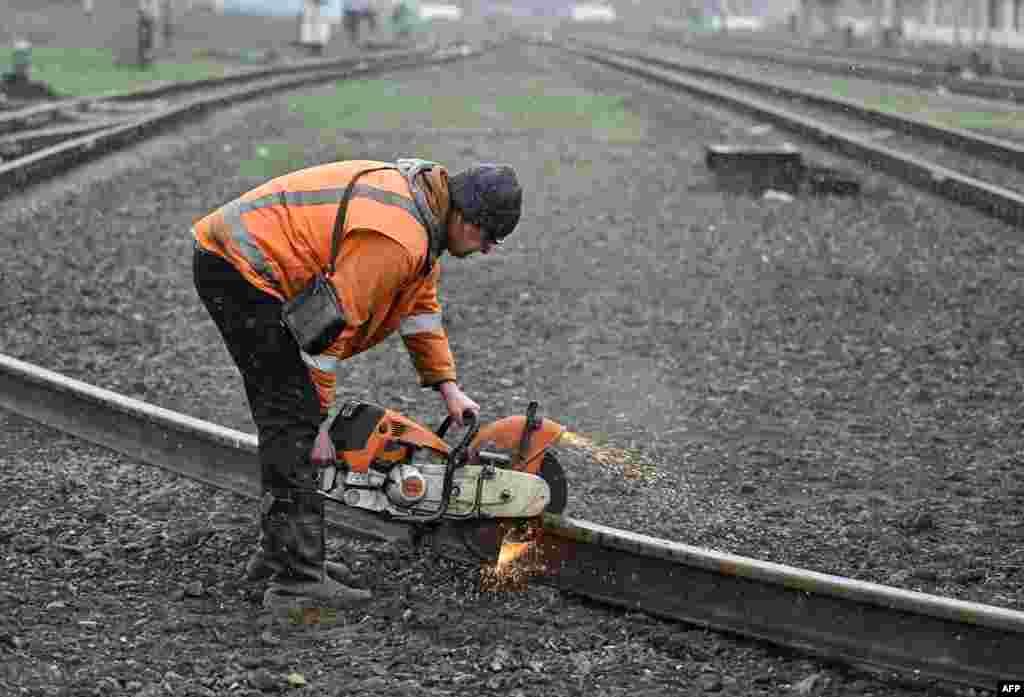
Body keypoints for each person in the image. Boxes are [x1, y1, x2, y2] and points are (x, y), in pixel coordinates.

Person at [191, 159, 522, 612]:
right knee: (295, 423)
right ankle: (297, 582)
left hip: (244, 264)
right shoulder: (397, 239)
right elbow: (325, 331)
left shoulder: (423, 219)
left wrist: (448, 387)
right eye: (490, 237)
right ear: (466, 217)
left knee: (289, 419)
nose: (488, 249)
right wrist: (319, 420)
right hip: (243, 271)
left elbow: (419, 308)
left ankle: (280, 559)